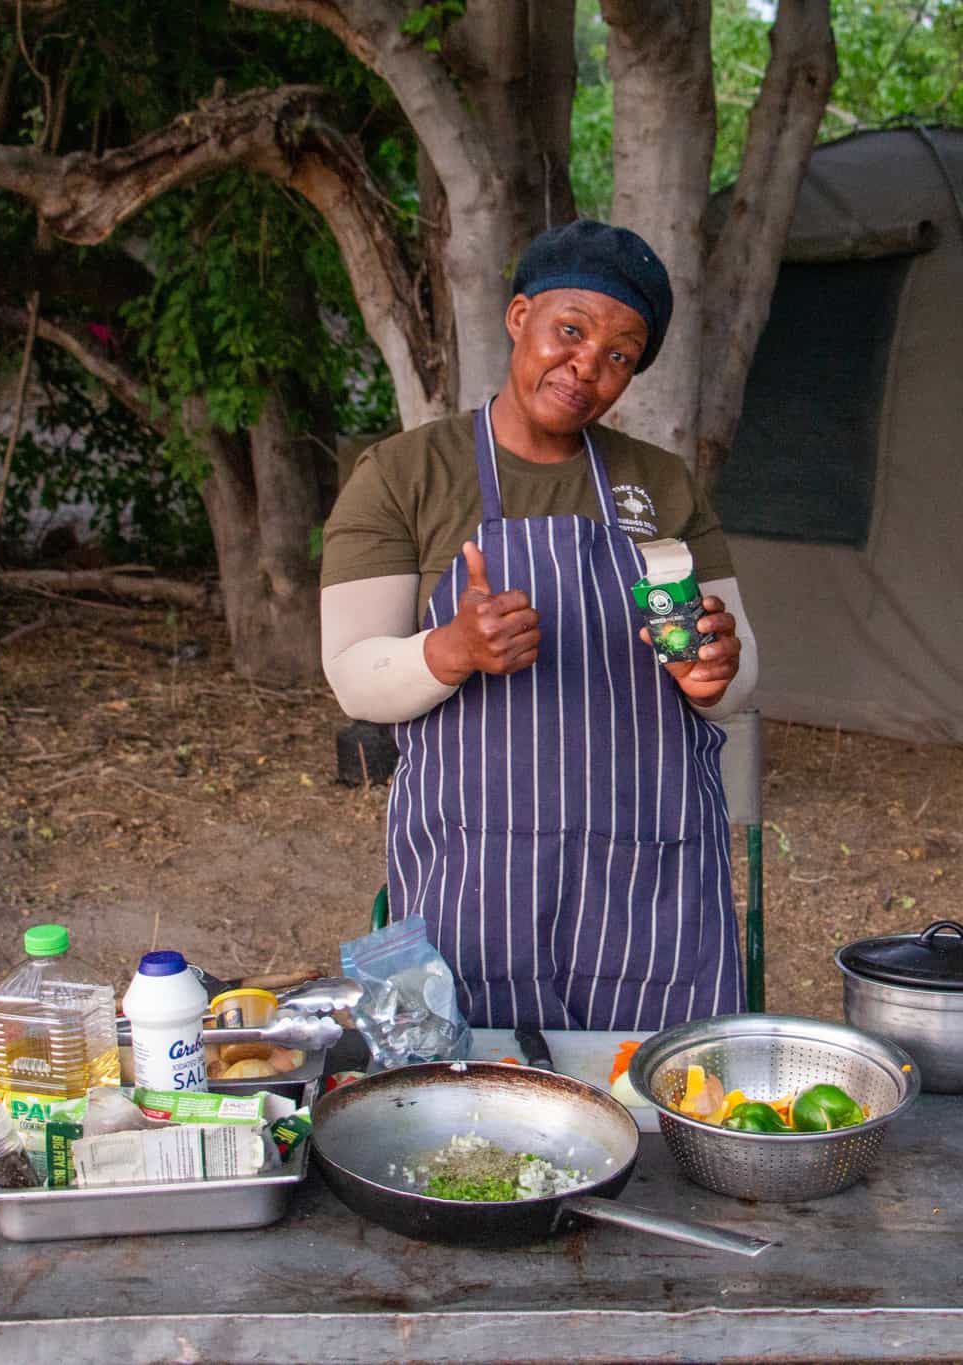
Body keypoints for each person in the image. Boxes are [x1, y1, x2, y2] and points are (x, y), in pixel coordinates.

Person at [321, 219, 758, 1031]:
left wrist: (716, 671)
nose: (586, 366)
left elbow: (736, 668)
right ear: (519, 316)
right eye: (570, 330)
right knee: (473, 1109)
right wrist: (450, 650)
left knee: (659, 1101)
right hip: (475, 877)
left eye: (619, 355)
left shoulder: (657, 485)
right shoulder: (408, 475)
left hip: (648, 881)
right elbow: (352, 671)